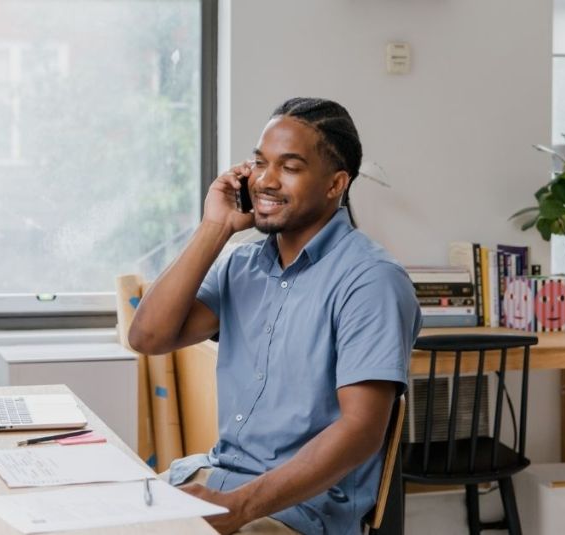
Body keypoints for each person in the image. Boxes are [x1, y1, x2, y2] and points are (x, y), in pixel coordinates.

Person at [128, 97, 422, 535]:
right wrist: (216, 226)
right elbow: (148, 336)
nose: (265, 180)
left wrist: (236, 508)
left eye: (290, 166)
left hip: (299, 511)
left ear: (335, 184)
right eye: (259, 162)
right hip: (216, 479)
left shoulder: (371, 280)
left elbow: (362, 429)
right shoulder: (241, 266)